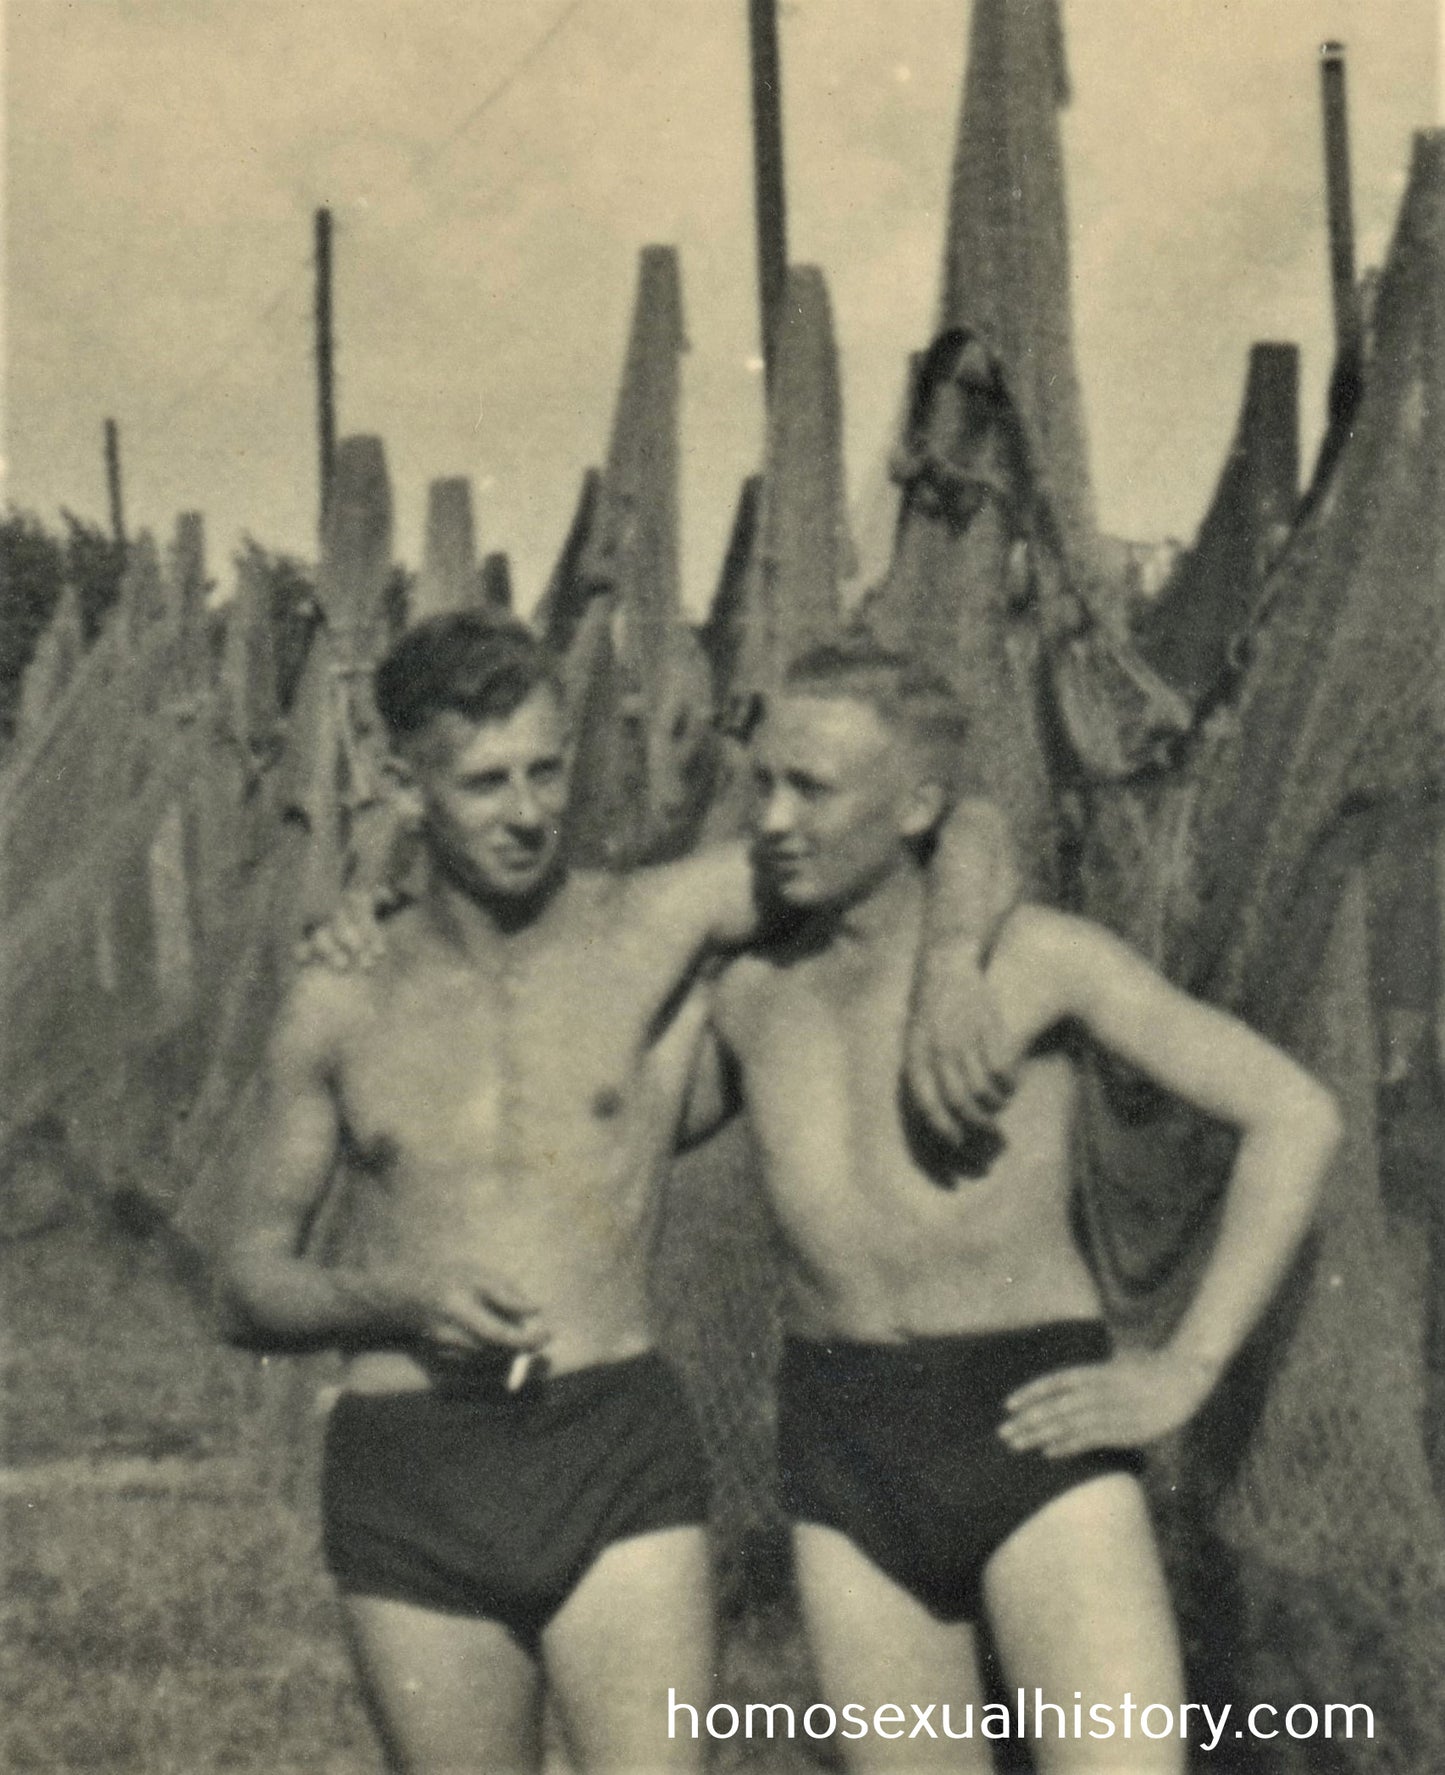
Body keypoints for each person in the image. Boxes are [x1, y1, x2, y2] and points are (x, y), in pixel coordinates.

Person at [217, 614, 1019, 1775]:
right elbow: (246, 1284)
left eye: (546, 769)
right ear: (402, 783)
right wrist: (395, 1296)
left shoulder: (653, 920)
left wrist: (947, 966)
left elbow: (956, 819)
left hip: (611, 1442)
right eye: (485, 782)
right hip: (412, 1461)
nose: (529, 810)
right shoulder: (340, 998)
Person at [680, 640, 1342, 1774]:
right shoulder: (744, 991)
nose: (774, 816)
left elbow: (1295, 1113)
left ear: (917, 806)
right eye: (764, 781)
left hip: (1029, 1420)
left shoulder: (1035, 962)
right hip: (842, 1444)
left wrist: (1184, 1365)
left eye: (813, 787)